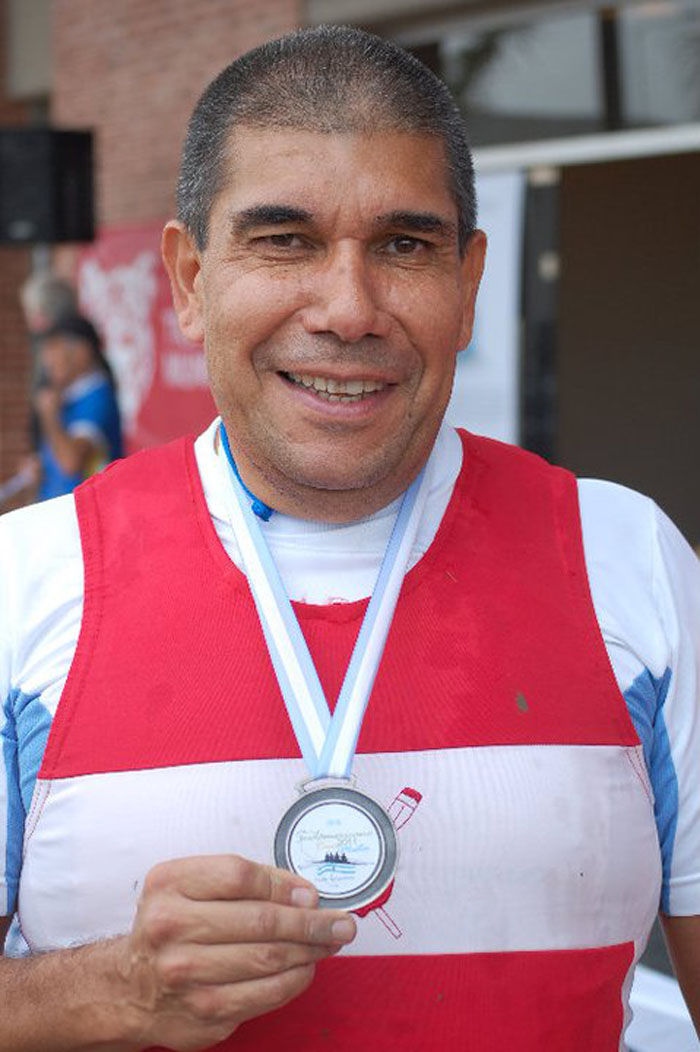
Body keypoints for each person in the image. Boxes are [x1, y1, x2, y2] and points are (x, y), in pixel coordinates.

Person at [0, 25, 698, 1052]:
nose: (347, 309)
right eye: (284, 240)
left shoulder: (628, 559)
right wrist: (110, 990)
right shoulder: (27, 580)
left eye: (404, 245)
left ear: (468, 283)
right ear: (189, 279)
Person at [32, 313, 124, 499]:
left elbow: (70, 463)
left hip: (84, 513)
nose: (47, 361)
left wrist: (49, 416)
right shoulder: (69, 397)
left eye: (54, 349)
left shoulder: (97, 397)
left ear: (82, 352)